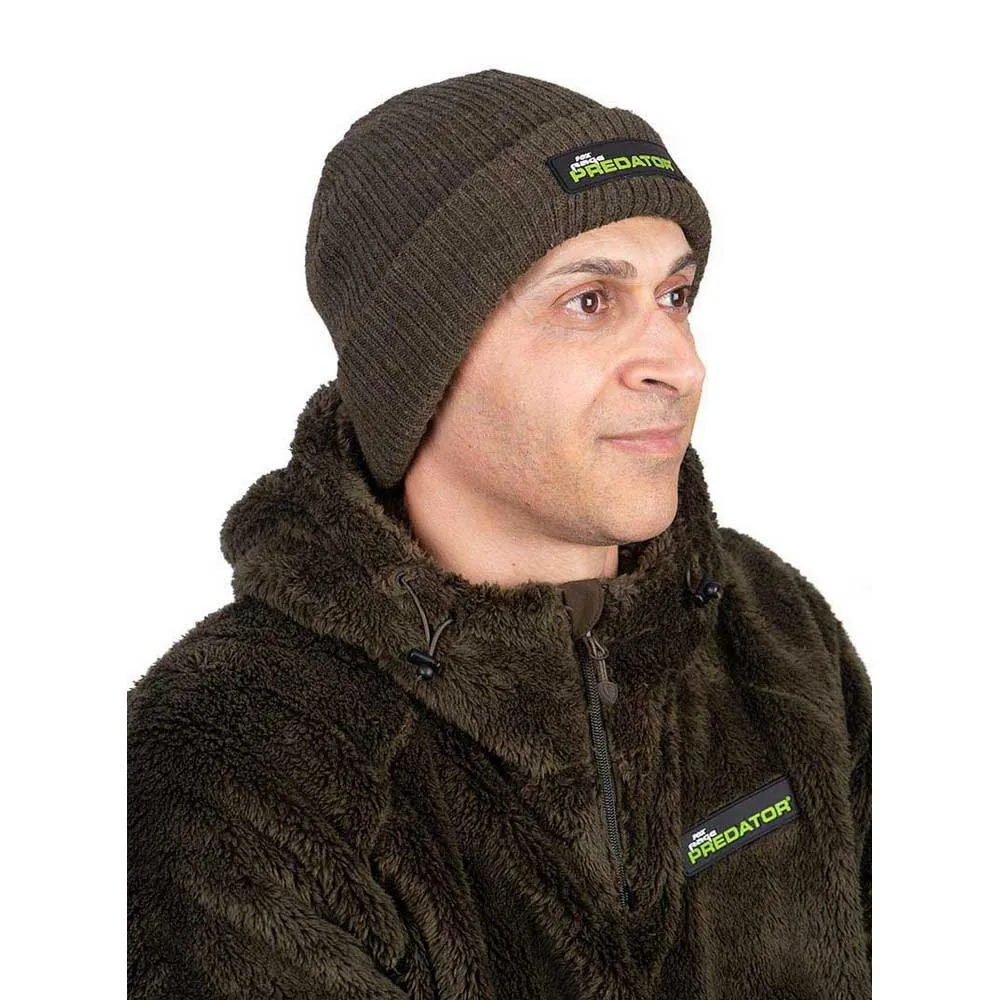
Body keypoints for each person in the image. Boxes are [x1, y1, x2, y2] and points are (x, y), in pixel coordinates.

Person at [127, 67, 872, 999]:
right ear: (421, 367)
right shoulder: (230, 757)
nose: (681, 366)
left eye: (675, 297)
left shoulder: (775, 632)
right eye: (590, 302)